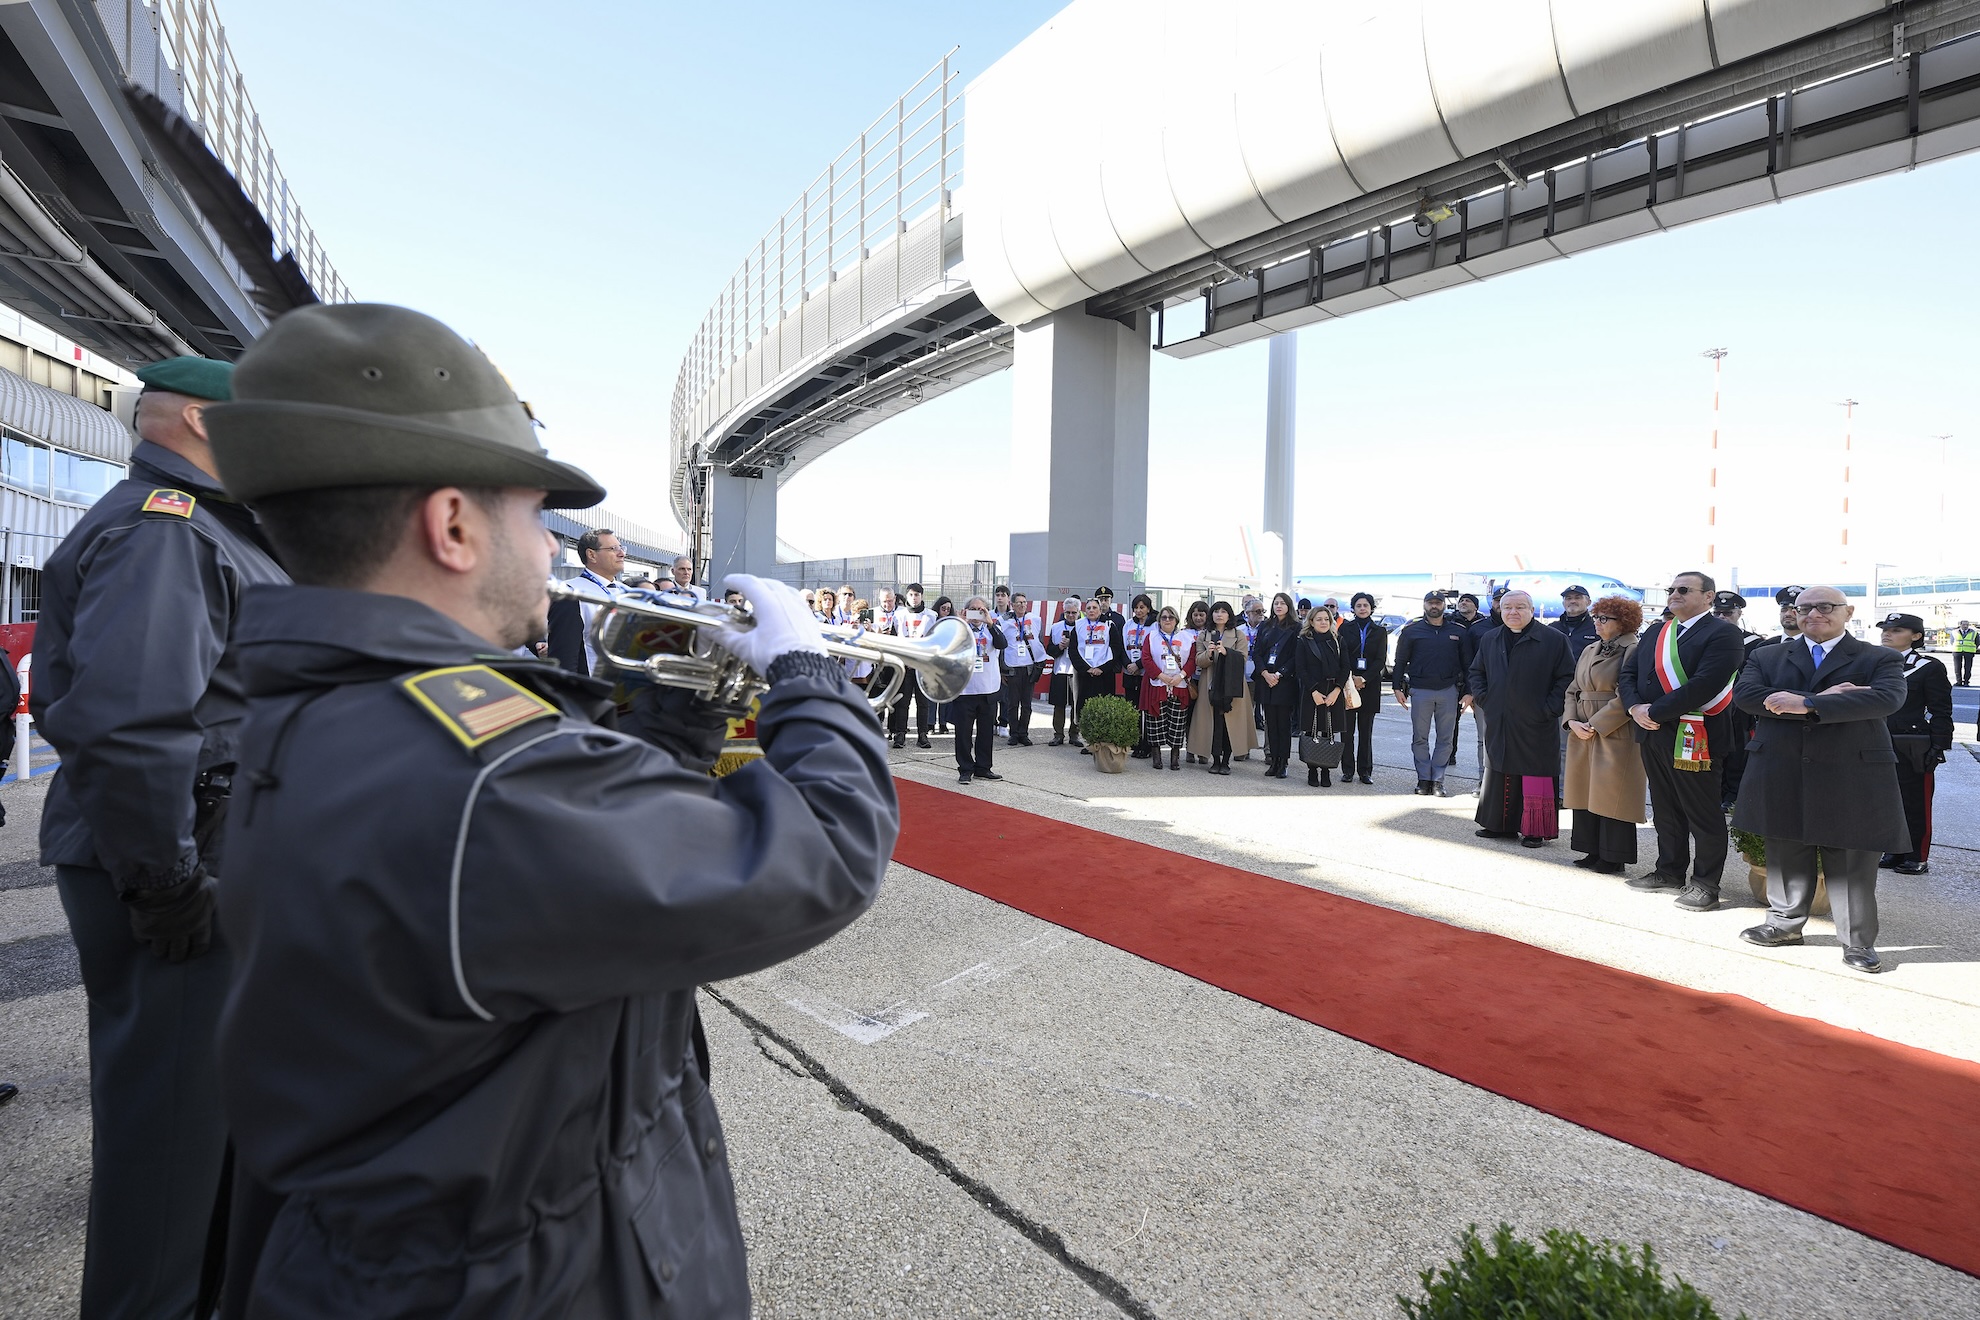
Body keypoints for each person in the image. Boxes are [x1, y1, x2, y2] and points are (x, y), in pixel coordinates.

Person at [204, 302, 897, 1315]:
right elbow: (822, 856)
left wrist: (674, 711)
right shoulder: (476, 771)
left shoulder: (333, 703)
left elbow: (557, 882)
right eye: (535, 515)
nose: (548, 547)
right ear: (452, 526)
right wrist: (809, 678)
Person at [31, 355, 287, 1320]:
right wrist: (165, 882)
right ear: (204, 426)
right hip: (180, 862)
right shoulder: (167, 535)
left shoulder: (218, 529)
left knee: (219, 1145)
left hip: (213, 852)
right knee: (169, 1162)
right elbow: (131, 723)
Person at [1731, 586, 1907, 973]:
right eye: (1805, 608)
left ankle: (1858, 943)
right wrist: (1822, 697)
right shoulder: (1766, 654)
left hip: (1851, 771)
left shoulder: (1878, 658)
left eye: (1826, 607)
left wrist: (1807, 703)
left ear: (1848, 612)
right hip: (1782, 766)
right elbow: (1746, 696)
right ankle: (1783, 924)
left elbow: (1887, 699)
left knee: (1850, 859)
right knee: (1785, 847)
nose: (1814, 614)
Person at [1619, 570, 1746, 911]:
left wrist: (1653, 711)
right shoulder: (1657, 632)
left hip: (1696, 736)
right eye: (1671, 589)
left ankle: (1706, 884)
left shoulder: (1723, 634)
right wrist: (1634, 707)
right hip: (1652, 733)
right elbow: (1628, 674)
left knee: (1702, 813)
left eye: (1684, 589)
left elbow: (1705, 684)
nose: (1674, 594)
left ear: (1708, 596)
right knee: (1665, 809)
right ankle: (1669, 871)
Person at [1468, 591, 1575, 848]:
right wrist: (1486, 699)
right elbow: (1476, 672)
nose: (1513, 612)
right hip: (1500, 718)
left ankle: (1534, 830)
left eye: (1519, 607)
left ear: (1531, 609)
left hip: (1536, 721)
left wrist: (1548, 709)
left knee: (1534, 772)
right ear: (1499, 610)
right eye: (1507, 608)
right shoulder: (1490, 638)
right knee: (1499, 770)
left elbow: (1566, 678)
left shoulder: (1553, 639)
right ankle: (1499, 825)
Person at [1561, 596, 1647, 873]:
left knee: (1613, 794)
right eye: (1596, 617)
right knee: (1585, 790)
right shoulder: (1590, 649)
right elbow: (1573, 689)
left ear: (1623, 621)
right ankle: (1592, 849)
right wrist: (1571, 721)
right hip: (1583, 727)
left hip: (1613, 728)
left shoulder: (1633, 649)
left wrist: (1596, 724)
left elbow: (1628, 695)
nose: (1596, 623)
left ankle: (1613, 855)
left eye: (1603, 618)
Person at [1878, 611, 1953, 876]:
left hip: (1913, 744)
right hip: (1877, 741)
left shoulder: (1928, 667)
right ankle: (1893, 850)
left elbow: (1940, 709)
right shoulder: (1874, 663)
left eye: (1897, 630)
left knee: (1915, 802)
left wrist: (1939, 745)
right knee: (1886, 800)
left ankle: (1916, 855)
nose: (1887, 634)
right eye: (1886, 629)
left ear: (1916, 636)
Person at [1391, 591, 1467, 796]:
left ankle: (1438, 781)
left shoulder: (1458, 631)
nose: (1434, 606)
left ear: (1444, 605)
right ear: (1425, 605)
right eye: (1431, 603)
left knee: (1445, 738)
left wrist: (1468, 692)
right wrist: (1397, 687)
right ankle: (1423, 779)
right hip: (1420, 690)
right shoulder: (1412, 631)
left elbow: (1467, 664)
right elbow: (1400, 661)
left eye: (1438, 603)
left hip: (1448, 690)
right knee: (1420, 738)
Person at [543, 527, 625, 673]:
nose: (622, 553)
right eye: (613, 549)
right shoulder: (571, 593)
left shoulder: (626, 591)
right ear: (591, 555)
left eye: (621, 548)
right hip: (594, 686)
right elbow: (564, 659)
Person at [1189, 600, 1252, 775]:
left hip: (1231, 684)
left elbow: (1243, 659)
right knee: (1213, 723)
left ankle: (1226, 761)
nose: (1219, 614)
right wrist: (1209, 653)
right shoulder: (1204, 635)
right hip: (1210, 682)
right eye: (1216, 611)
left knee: (1230, 724)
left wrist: (1226, 652)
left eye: (1223, 611)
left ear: (1229, 615)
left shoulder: (1239, 635)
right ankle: (1215, 760)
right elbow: (1198, 661)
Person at [950, 596, 1008, 784]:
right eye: (973, 609)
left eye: (981, 609)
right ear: (966, 611)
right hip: (965, 690)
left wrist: (989, 623)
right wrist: (962, 622)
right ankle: (965, 769)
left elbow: (1002, 644)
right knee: (963, 734)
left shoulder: (992, 628)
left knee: (985, 733)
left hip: (988, 689)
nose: (977, 613)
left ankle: (983, 767)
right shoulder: (960, 628)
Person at [1335, 592, 1387, 785]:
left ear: (1371, 608)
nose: (1362, 608)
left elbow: (1380, 660)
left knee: (1366, 732)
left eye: (1366, 605)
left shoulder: (1379, 631)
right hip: (1348, 684)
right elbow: (1342, 655)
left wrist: (1364, 678)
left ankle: (1365, 771)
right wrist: (1351, 678)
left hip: (1369, 685)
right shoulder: (1345, 628)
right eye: (1359, 605)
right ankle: (1347, 769)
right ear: (1353, 608)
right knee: (1346, 731)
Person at [1294, 604, 1346, 788]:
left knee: (1328, 731)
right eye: (1319, 619)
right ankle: (1312, 770)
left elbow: (1345, 667)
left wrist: (1337, 691)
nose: (1323, 622)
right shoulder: (1303, 641)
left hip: (1333, 691)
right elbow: (1300, 669)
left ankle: (1326, 770)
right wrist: (1314, 691)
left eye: (1326, 619)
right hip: (1312, 691)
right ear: (1311, 621)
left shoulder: (1338, 640)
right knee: (1312, 730)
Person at [1139, 605, 1195, 771]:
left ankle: (1175, 758)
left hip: (1179, 684)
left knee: (1177, 723)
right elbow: (1146, 659)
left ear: (1176, 619)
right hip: (1158, 684)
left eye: (1171, 617)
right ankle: (1157, 757)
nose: (1167, 620)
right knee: (1155, 721)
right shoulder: (1151, 636)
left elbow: (1192, 660)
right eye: (1164, 617)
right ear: (1159, 620)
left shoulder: (1186, 637)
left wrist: (1181, 676)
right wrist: (1161, 676)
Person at [1253, 593, 1301, 779]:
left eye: (1282, 603)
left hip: (1284, 681)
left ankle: (1283, 762)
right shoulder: (1265, 626)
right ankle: (1273, 760)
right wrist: (1265, 673)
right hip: (1266, 680)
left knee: (1283, 725)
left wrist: (1279, 674)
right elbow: (1257, 653)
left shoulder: (1296, 627)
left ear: (1289, 606)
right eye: (1276, 603)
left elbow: (1296, 656)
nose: (1279, 606)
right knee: (1270, 724)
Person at [1072, 594, 1125, 755]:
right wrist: (1086, 668)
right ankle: (1090, 742)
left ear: (1100, 609)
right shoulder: (1078, 625)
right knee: (1085, 708)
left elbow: (1116, 648)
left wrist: (1102, 668)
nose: (1091, 610)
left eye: (1094, 607)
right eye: (1088, 608)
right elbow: (1073, 650)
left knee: (1104, 708)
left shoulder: (1109, 625)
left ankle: (1102, 742)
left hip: (1104, 674)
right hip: (1086, 674)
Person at [887, 583, 938, 749]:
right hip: (905, 665)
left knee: (923, 702)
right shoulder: (899, 615)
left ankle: (922, 735)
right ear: (906, 596)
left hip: (923, 665)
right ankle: (900, 734)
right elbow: (894, 641)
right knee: (903, 702)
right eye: (910, 595)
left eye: (917, 595)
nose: (914, 598)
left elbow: (934, 642)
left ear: (922, 596)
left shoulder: (932, 615)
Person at [1001, 592, 1045, 746]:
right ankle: (1013, 733)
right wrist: (1002, 670)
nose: (1022, 605)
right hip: (1013, 667)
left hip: (1028, 667)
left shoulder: (1034, 619)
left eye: (1024, 602)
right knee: (1013, 704)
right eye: (1018, 602)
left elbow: (1039, 643)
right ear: (1012, 605)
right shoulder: (1004, 621)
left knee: (1027, 704)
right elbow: (1000, 647)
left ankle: (1023, 733)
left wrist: (1040, 663)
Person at [1045, 594, 1084, 746]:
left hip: (1077, 670)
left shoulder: (1083, 626)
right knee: (1059, 703)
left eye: (1074, 612)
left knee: (1076, 704)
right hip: (1060, 669)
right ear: (1064, 612)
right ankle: (1058, 734)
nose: (1071, 615)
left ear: (1079, 612)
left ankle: (1074, 734)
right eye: (1068, 612)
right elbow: (1049, 649)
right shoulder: (1056, 627)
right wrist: (1060, 647)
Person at [1122, 594, 1156, 758]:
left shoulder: (1154, 626)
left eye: (1142, 607)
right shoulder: (1128, 624)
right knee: (1132, 709)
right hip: (1130, 672)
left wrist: (1139, 665)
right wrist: (1129, 665)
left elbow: (1154, 650)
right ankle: (1135, 743)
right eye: (1136, 607)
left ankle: (1147, 745)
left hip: (1146, 673)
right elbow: (1121, 647)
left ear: (1148, 609)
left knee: (1146, 710)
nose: (1138, 610)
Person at [1179, 600, 1210, 762]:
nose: (1198, 618)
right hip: (1190, 680)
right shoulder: (1184, 634)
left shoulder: (1212, 632)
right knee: (1189, 715)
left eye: (1201, 614)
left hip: (1207, 678)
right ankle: (1190, 748)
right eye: (1195, 615)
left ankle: (1204, 751)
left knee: (1205, 715)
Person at [930, 595, 957, 733]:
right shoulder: (932, 621)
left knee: (945, 695)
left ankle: (943, 722)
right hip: (934, 661)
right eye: (943, 608)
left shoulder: (953, 624)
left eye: (948, 609)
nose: (945, 611)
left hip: (947, 662)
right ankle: (930, 723)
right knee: (933, 694)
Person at [1550, 585, 1598, 658]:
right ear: (1563, 603)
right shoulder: (1552, 629)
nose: (1573, 601)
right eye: (1568, 598)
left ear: (1588, 602)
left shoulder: (1597, 628)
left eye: (1577, 597)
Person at [1953, 618, 1978, 686]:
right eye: (1964, 624)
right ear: (1960, 625)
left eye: (1967, 624)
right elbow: (1952, 641)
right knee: (1957, 667)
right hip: (1957, 651)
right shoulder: (1954, 632)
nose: (1965, 626)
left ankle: (1966, 681)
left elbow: (1977, 642)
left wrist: (1973, 648)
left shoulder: (1974, 632)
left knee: (1968, 667)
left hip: (1969, 651)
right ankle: (1959, 681)